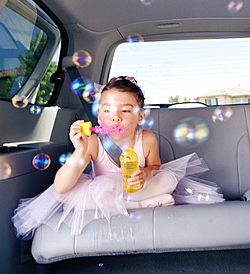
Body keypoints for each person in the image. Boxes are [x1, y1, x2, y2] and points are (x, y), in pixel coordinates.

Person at [12, 76, 224, 240]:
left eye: (125, 110)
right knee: (71, 193)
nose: (115, 116)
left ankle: (137, 201)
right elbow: (60, 187)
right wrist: (79, 150)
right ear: (98, 115)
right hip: (104, 194)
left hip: (138, 188)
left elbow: (156, 166)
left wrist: (145, 173)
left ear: (140, 116)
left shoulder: (147, 139)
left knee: (168, 178)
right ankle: (143, 206)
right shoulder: (93, 142)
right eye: (107, 110)